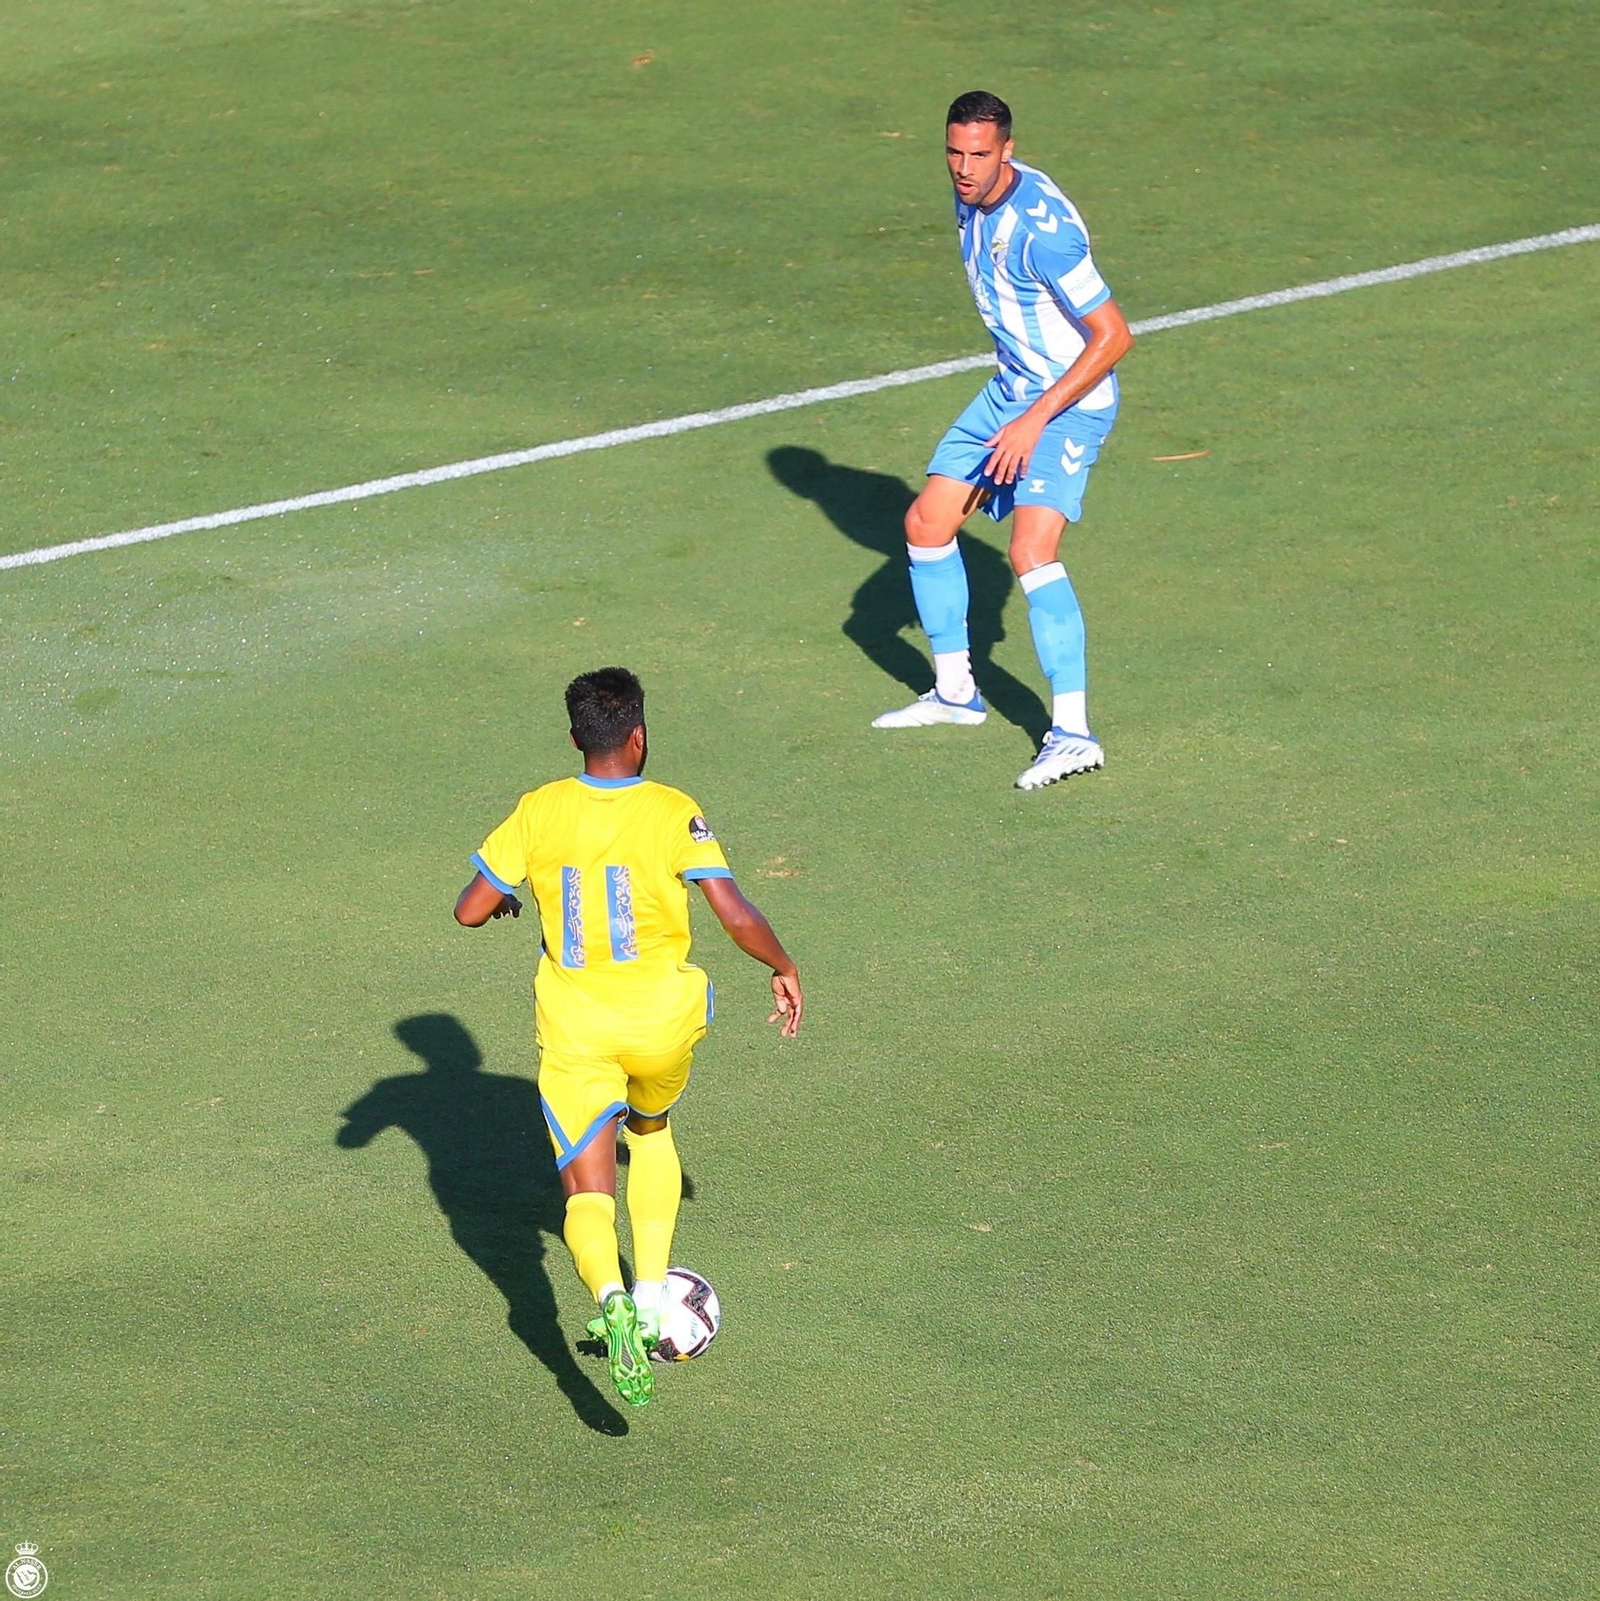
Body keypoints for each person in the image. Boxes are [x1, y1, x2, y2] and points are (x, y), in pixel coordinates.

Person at [453, 667, 802, 1408]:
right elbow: (734, 911)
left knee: (585, 1190)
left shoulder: (539, 809)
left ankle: (608, 1297)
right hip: (661, 1024)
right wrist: (782, 965)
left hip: (578, 1029)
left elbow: (470, 908)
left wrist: (508, 898)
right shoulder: (675, 810)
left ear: (574, 737)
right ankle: (648, 1293)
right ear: (638, 735)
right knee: (650, 1128)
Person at [872, 90, 1135, 790]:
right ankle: (957, 692)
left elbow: (1114, 336)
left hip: (1067, 403)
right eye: (954, 152)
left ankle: (1073, 734)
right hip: (1013, 389)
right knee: (925, 523)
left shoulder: (1043, 233)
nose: (963, 167)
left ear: (1007, 151)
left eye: (979, 154)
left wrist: (1035, 418)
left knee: (1030, 550)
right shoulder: (972, 194)